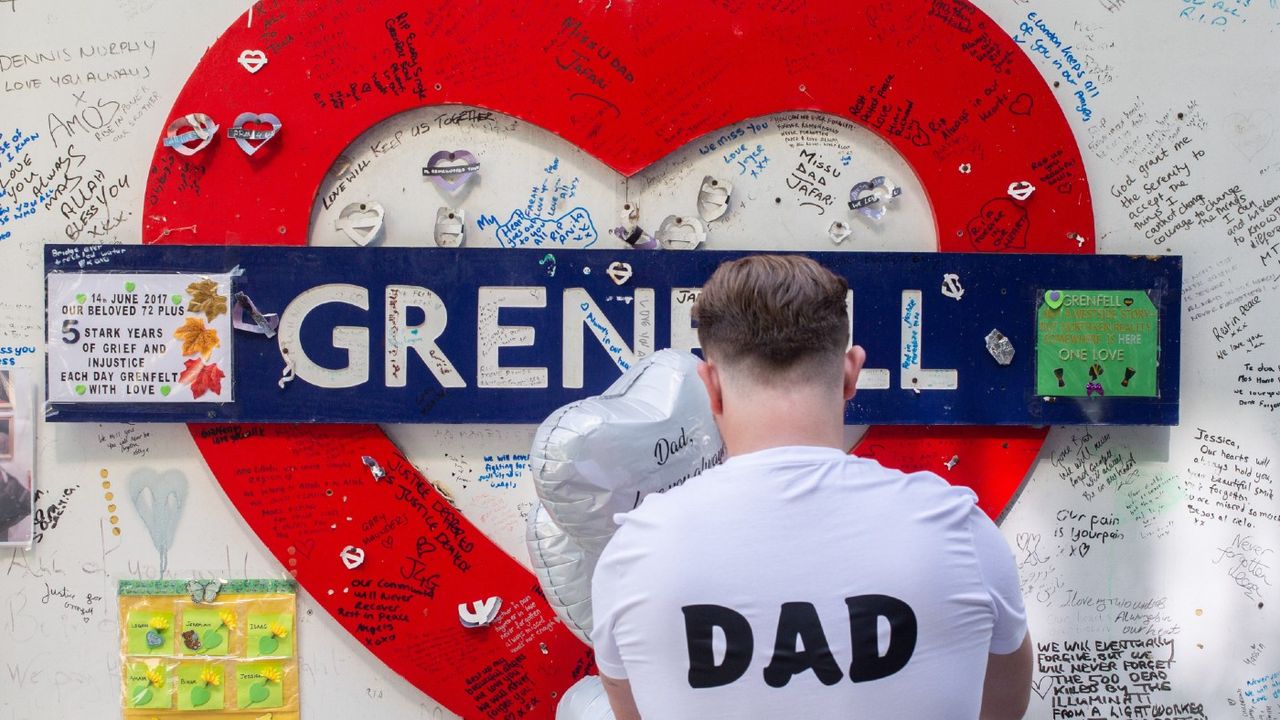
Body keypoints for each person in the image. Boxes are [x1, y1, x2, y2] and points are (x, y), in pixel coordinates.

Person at [589, 255, 1032, 719]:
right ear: (850, 373)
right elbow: (1003, 708)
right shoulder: (958, 531)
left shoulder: (634, 554)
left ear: (711, 385)